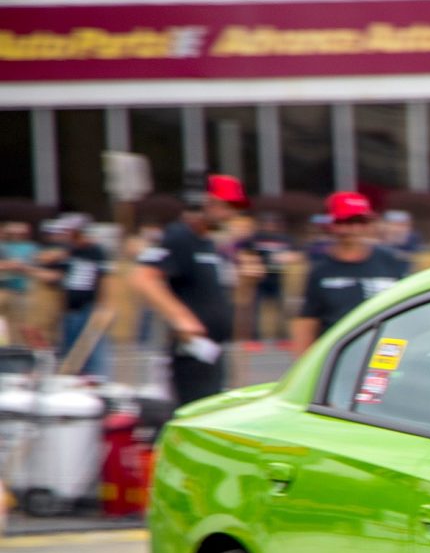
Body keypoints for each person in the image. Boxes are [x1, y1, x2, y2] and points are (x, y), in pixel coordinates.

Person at [129, 173, 249, 409]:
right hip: (193, 351)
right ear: (208, 203)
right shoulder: (181, 237)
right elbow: (143, 277)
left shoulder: (210, 244)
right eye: (226, 207)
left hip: (213, 350)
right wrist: (181, 318)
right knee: (197, 411)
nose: (230, 215)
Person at [292, 192, 410, 348]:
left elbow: (406, 312)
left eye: (360, 222)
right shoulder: (321, 271)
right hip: (338, 354)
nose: (353, 229)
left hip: (383, 352)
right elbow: (307, 321)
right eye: (345, 222)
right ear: (331, 225)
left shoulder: (392, 262)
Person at [44, 216, 112, 379]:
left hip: (89, 305)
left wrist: (104, 305)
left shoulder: (95, 251)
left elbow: (105, 279)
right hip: (70, 308)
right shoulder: (68, 253)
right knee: (71, 347)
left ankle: (97, 378)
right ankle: (73, 377)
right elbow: (54, 275)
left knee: (92, 346)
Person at [242, 212, 299, 346]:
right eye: (267, 223)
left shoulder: (284, 239)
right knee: (255, 309)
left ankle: (283, 338)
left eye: (273, 223)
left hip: (277, 278)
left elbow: (297, 253)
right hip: (260, 278)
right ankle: (254, 339)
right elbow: (245, 253)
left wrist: (288, 258)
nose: (270, 226)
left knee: (282, 309)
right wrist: (253, 264)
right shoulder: (255, 239)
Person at [0, 221, 50, 347]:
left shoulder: (32, 248)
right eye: (12, 233)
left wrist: (23, 267)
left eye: (20, 233)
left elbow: (39, 265)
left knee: (19, 326)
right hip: (4, 289)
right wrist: (9, 265)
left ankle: (17, 352)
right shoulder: (3, 246)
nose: (16, 235)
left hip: (22, 291)